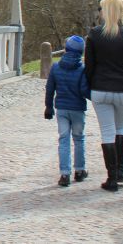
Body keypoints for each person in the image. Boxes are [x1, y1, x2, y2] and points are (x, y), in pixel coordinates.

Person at [85, 0, 123, 192]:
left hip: (101, 87)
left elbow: (89, 67)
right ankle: (120, 171)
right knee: (121, 128)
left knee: (107, 131)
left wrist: (88, 88)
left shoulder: (94, 34)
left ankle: (111, 178)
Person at [44, 35, 90, 186]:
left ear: (66, 49)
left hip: (62, 109)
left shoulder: (56, 67)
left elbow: (50, 88)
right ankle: (80, 170)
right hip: (77, 108)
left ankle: (65, 174)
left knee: (63, 140)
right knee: (79, 139)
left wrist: (48, 106)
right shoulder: (82, 68)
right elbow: (84, 90)